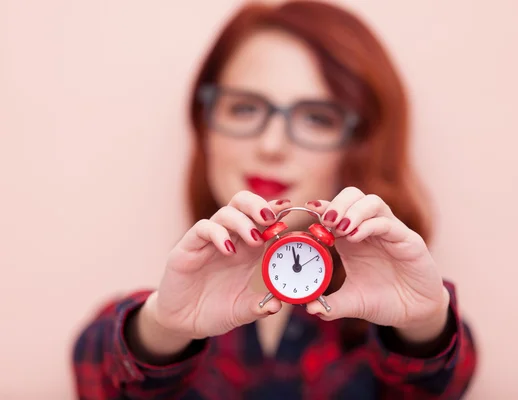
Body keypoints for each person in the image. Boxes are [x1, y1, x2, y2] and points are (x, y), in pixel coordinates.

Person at [71, 1, 477, 399]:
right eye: (245, 108)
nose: (271, 145)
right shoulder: (151, 322)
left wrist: (424, 326)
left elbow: (439, 382)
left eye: (316, 117)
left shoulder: (389, 324)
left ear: (359, 145)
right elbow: (97, 371)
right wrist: (163, 329)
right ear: (205, 126)